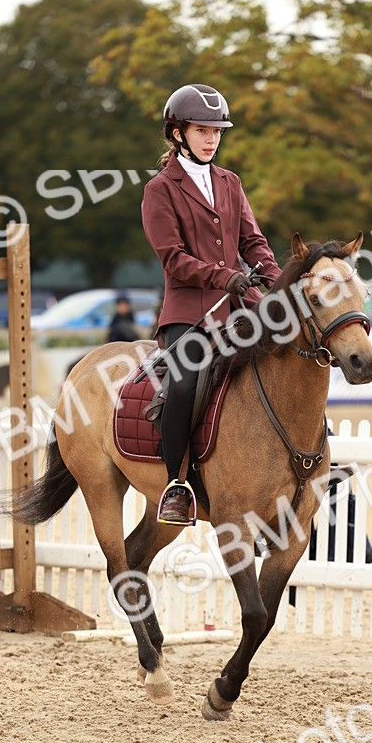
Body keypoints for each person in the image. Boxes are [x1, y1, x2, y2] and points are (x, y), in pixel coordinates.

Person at [141, 83, 281, 524]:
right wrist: (226, 276)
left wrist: (278, 283)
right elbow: (174, 259)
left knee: (294, 353)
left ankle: (313, 455)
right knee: (186, 379)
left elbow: (253, 242)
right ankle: (177, 484)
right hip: (189, 313)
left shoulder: (229, 182)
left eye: (217, 131)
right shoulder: (160, 190)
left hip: (241, 304)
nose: (211, 139)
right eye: (202, 130)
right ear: (178, 133)